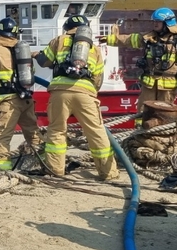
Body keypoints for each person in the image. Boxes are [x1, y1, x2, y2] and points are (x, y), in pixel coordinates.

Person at [35, 15, 117, 180]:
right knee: (96, 132)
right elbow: (98, 79)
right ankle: (108, 173)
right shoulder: (94, 49)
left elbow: (45, 61)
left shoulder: (59, 40)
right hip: (86, 93)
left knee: (57, 130)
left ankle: (55, 170)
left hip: (60, 93)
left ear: (67, 27)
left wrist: (36, 54)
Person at [0, 17, 39, 171]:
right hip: (26, 99)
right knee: (33, 133)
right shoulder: (22, 51)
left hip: (8, 101)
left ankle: (1, 170)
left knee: (2, 137)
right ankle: (41, 162)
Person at [107, 7, 177, 120]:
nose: (155, 24)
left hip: (168, 86)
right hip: (149, 84)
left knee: (164, 113)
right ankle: (140, 134)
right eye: (154, 21)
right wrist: (109, 39)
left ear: (167, 23)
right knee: (143, 111)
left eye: (158, 21)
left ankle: (161, 135)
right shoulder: (148, 38)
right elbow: (129, 40)